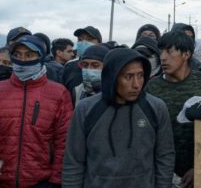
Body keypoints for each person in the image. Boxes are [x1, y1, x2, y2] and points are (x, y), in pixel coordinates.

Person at [62, 47, 175, 188]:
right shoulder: (86, 110)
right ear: (112, 76)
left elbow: (165, 157)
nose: (136, 85)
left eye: (140, 75)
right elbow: (73, 163)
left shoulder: (156, 108)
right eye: (128, 77)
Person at [0, 34, 73, 188]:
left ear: (41, 57)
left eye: (29, 55)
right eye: (17, 55)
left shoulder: (58, 93)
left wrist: (56, 180)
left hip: (42, 181)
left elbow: (64, 140)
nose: (22, 60)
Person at [145, 31, 201, 188]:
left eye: (170, 51)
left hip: (200, 173)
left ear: (186, 54)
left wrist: (200, 167)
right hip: (161, 174)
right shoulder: (151, 88)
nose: (163, 57)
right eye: (161, 51)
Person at [62, 26, 104, 101]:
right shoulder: (69, 66)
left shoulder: (107, 64)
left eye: (89, 39)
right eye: (80, 39)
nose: (84, 42)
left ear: (99, 43)